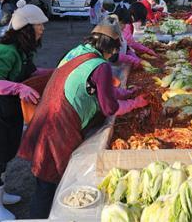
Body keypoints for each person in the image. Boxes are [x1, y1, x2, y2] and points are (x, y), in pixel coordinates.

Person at [19, 24, 148, 218]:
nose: (114, 54)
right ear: (111, 48)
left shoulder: (79, 52)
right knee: (48, 183)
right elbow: (109, 108)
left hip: (45, 115)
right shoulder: (101, 66)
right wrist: (135, 103)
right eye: (114, 50)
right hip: (58, 126)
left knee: (45, 179)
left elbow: (100, 87)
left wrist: (126, 93)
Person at [0, 2, 50, 221]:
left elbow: (32, 72)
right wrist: (19, 88)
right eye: (39, 25)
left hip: (9, 107)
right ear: (26, 29)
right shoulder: (5, 51)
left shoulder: (22, 50)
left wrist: (56, 72)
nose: (43, 28)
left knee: (7, 151)